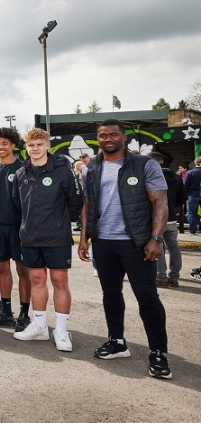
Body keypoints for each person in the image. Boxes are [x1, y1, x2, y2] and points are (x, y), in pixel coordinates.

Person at [78, 120, 172, 379]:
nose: (108, 139)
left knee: (147, 297)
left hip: (136, 242)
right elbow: (87, 204)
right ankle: (117, 342)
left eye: (113, 134)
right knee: (110, 293)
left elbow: (160, 202)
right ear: (97, 138)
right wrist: (85, 238)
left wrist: (156, 238)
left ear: (124, 137)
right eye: (103, 135)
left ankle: (158, 353)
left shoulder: (145, 165)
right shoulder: (90, 167)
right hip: (103, 241)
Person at [12, 128, 81, 352]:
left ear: (47, 145)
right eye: (31, 145)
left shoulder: (63, 171)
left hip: (57, 237)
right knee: (36, 280)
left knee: (60, 281)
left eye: (39, 144)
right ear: (26, 147)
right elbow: (17, 203)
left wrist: (59, 222)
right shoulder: (21, 173)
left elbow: (74, 203)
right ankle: (40, 326)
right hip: (30, 237)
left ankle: (61, 330)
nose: (35, 148)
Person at [0, 127, 32, 331]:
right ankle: (5, 312)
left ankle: (24, 314)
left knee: (23, 270)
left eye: (5, 143)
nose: (1, 147)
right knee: (1, 268)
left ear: (13, 145)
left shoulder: (24, 169)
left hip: (19, 228)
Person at [147, 152, 186, 288]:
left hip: (156, 218)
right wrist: (171, 206)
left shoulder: (150, 176)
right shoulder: (176, 177)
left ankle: (161, 277)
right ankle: (174, 277)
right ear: (162, 161)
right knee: (174, 247)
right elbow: (183, 197)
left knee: (158, 245)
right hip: (171, 218)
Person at [182, 156, 201, 235]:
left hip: (192, 195)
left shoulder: (190, 173)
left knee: (192, 213)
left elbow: (185, 185)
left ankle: (192, 231)